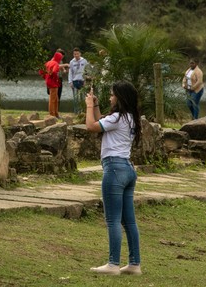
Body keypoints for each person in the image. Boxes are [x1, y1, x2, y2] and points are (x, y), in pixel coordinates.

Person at [85, 81, 142, 276]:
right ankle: (134, 264)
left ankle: (113, 264)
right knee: (129, 221)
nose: (110, 98)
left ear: (120, 98)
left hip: (114, 169)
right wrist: (97, 105)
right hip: (127, 169)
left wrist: (89, 106)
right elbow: (103, 121)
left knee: (113, 220)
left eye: (112, 95)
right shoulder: (130, 118)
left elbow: (92, 126)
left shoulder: (117, 118)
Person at [39, 50, 63, 117]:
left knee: (56, 99)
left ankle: (56, 113)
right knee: (52, 99)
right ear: (59, 58)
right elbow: (55, 72)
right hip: (53, 83)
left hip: (49, 82)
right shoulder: (56, 64)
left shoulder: (48, 62)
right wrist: (55, 79)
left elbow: (41, 71)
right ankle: (51, 114)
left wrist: (45, 77)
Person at [68, 48, 91, 114]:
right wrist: (70, 82)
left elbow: (87, 71)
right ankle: (76, 112)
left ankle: (83, 112)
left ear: (80, 54)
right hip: (75, 81)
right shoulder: (72, 62)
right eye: (75, 54)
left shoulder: (84, 61)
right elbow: (70, 72)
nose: (76, 55)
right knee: (76, 98)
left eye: (77, 54)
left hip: (82, 81)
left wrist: (86, 81)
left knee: (83, 97)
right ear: (73, 54)